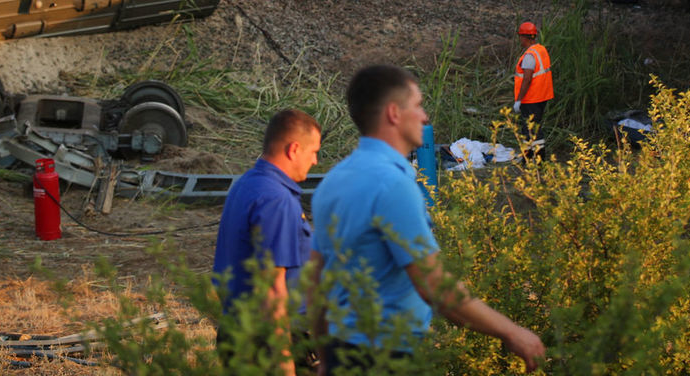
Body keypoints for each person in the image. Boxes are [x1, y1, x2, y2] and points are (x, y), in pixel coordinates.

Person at [310, 64, 545, 374]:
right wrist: (513, 332)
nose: (424, 116)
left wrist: (326, 357)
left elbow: (316, 281)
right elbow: (434, 286)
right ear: (394, 113)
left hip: (342, 352)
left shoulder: (333, 182)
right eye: (418, 105)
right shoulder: (393, 185)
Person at [212, 109, 322, 375]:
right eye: (313, 152)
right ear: (294, 149)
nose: (316, 161)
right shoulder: (277, 200)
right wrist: (284, 363)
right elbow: (273, 289)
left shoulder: (247, 184)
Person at [514, 21, 553, 132]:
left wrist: (519, 100)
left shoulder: (529, 56)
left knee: (530, 131)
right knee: (534, 129)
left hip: (531, 99)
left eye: (520, 36)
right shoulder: (541, 50)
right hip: (542, 97)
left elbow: (527, 79)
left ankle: (532, 150)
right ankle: (536, 149)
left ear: (524, 37)